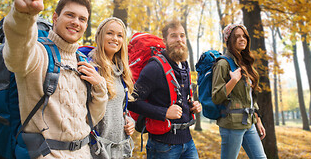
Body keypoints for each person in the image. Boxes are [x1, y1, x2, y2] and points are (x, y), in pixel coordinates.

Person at [3, 0, 108, 158]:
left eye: (82, 19)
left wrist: (100, 87)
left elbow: (91, 118)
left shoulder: (82, 61)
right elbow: (17, 54)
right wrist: (23, 17)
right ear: (55, 17)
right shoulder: (38, 53)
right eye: (70, 15)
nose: (76, 22)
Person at [128, 19, 202, 159]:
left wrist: (192, 106)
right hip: (163, 146)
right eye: (173, 36)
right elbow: (132, 101)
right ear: (165, 41)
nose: (179, 39)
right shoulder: (154, 68)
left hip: (188, 141)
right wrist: (164, 113)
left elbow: (178, 98)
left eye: (182, 35)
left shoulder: (184, 65)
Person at [212, 23, 267, 159]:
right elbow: (216, 97)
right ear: (229, 40)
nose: (242, 39)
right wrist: (233, 81)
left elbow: (250, 97)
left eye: (244, 36)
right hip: (231, 124)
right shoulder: (222, 64)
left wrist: (258, 120)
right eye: (237, 37)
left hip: (249, 122)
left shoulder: (245, 63)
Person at [88, 17, 135, 158]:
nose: (115, 38)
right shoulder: (90, 67)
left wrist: (129, 120)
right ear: (99, 36)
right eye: (110, 33)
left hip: (119, 148)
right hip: (96, 149)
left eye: (120, 35)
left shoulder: (121, 71)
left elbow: (119, 107)